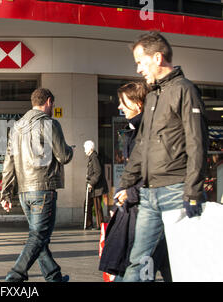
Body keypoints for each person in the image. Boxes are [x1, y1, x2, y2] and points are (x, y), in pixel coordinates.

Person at [114, 31, 208, 282]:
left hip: (177, 191)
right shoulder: (153, 95)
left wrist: (193, 192)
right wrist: (125, 183)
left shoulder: (184, 90)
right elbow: (142, 145)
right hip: (149, 192)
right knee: (139, 259)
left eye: (140, 61)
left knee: (187, 263)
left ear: (157, 58)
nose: (138, 68)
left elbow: (197, 142)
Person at [99, 81, 172, 281]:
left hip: (145, 209)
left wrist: (130, 193)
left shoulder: (147, 131)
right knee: (159, 264)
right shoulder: (135, 129)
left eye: (123, 102)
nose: (119, 107)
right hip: (137, 207)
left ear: (138, 104)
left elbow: (157, 172)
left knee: (136, 266)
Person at [0, 88, 74, 282]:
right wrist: (70, 149)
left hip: (24, 192)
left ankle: (54, 277)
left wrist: (5, 194)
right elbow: (63, 156)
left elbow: (9, 162)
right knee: (38, 237)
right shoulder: (50, 124)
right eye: (53, 105)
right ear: (48, 101)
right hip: (43, 189)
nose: (53, 108)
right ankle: (14, 276)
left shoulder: (16, 128)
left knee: (39, 237)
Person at [83, 140, 108, 230]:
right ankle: (89, 224)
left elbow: (98, 172)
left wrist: (91, 183)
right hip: (93, 187)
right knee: (88, 204)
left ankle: (100, 224)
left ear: (90, 149)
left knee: (97, 206)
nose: (84, 150)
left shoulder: (94, 158)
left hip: (96, 187)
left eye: (85, 148)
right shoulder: (92, 157)